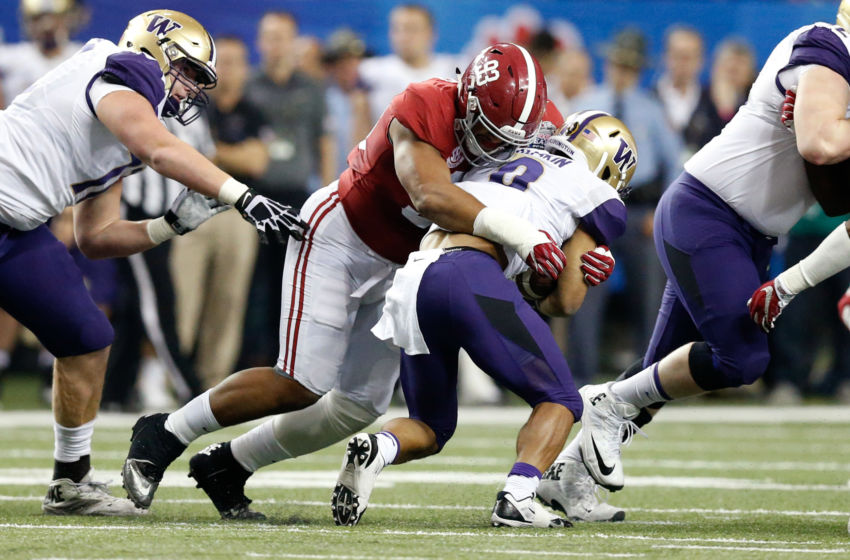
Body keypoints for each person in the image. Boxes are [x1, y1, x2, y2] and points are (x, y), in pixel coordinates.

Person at [122, 42, 570, 520]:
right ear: (468, 98)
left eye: (507, 136)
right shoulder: (426, 103)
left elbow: (568, 167)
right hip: (343, 238)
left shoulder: (536, 121)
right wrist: (522, 235)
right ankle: (165, 431)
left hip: (408, 265)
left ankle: (229, 465)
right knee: (300, 381)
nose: (498, 146)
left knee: (358, 406)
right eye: (486, 130)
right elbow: (430, 195)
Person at [0, 8, 305, 516]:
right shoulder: (123, 67)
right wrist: (242, 197)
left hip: (18, 228)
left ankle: (69, 482)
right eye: (186, 72)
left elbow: (95, 236)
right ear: (155, 54)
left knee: (85, 336)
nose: (189, 92)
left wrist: (170, 225)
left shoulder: (125, 130)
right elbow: (159, 148)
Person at [547, 6, 850, 511]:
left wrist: (790, 282)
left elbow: (837, 192)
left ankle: (565, 478)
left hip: (743, 232)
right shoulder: (827, 45)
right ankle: (604, 400)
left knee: (654, 379)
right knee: (742, 358)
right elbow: (820, 144)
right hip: (708, 211)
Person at [332, 112, 636, 528]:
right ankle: (518, 496)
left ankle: (379, 446)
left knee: (430, 424)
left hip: (415, 277)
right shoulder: (594, 191)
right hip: (469, 274)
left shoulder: (502, 154)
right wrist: (583, 274)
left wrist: (533, 280)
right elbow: (563, 304)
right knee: (561, 399)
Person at [567, 28, 681, 386]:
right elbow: (562, 156)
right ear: (609, 63)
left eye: (630, 66)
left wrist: (661, 210)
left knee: (651, 298)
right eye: (619, 64)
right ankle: (580, 374)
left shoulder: (650, 109)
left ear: (639, 70)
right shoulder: (585, 103)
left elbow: (676, 164)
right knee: (582, 291)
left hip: (639, 209)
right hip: (594, 208)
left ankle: (650, 376)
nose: (623, 71)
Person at [239, 11, 335, 367]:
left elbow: (324, 141)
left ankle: (288, 362)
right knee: (250, 284)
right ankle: (247, 362)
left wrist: (327, 194)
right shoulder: (247, 84)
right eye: (269, 36)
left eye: (282, 37)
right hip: (252, 196)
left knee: (291, 284)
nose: (275, 44)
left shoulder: (312, 88)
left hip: (296, 197)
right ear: (259, 41)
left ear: (293, 42)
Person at [170, 35, 265, 389]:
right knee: (182, 297)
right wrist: (228, 155)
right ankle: (171, 376)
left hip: (235, 216)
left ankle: (212, 383)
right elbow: (177, 154)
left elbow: (256, 161)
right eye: (221, 61)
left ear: (245, 68)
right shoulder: (187, 102)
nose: (228, 69)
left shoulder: (252, 111)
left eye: (236, 62)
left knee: (228, 300)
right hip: (189, 210)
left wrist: (209, 153)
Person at [358, 3, 458, 124]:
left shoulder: (452, 71)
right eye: (397, 29)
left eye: (412, 29)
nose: (403, 37)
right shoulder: (371, 72)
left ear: (431, 33)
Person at [654, 25, 725, 161]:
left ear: (701, 61)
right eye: (677, 56)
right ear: (665, 57)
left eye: (688, 57)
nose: (682, 63)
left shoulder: (712, 103)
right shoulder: (649, 100)